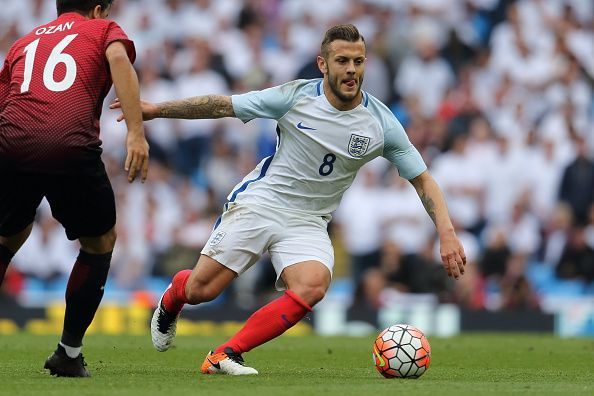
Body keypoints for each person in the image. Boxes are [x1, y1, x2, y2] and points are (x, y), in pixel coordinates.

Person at [112, 24, 466, 376]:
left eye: (358, 61)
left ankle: (225, 354)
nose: (351, 70)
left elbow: (424, 180)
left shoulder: (381, 123)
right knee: (202, 290)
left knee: (312, 285)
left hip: (309, 220)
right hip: (262, 202)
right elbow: (223, 106)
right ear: (323, 64)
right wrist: (158, 109)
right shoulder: (294, 97)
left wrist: (447, 233)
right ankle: (174, 297)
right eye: (342, 61)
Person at [0, 0, 149, 377]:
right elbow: (119, 59)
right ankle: (68, 353)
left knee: (9, 237)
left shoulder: (24, 41)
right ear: (100, 9)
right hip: (68, 142)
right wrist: (135, 132)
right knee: (99, 242)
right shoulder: (103, 30)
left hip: (12, 141)